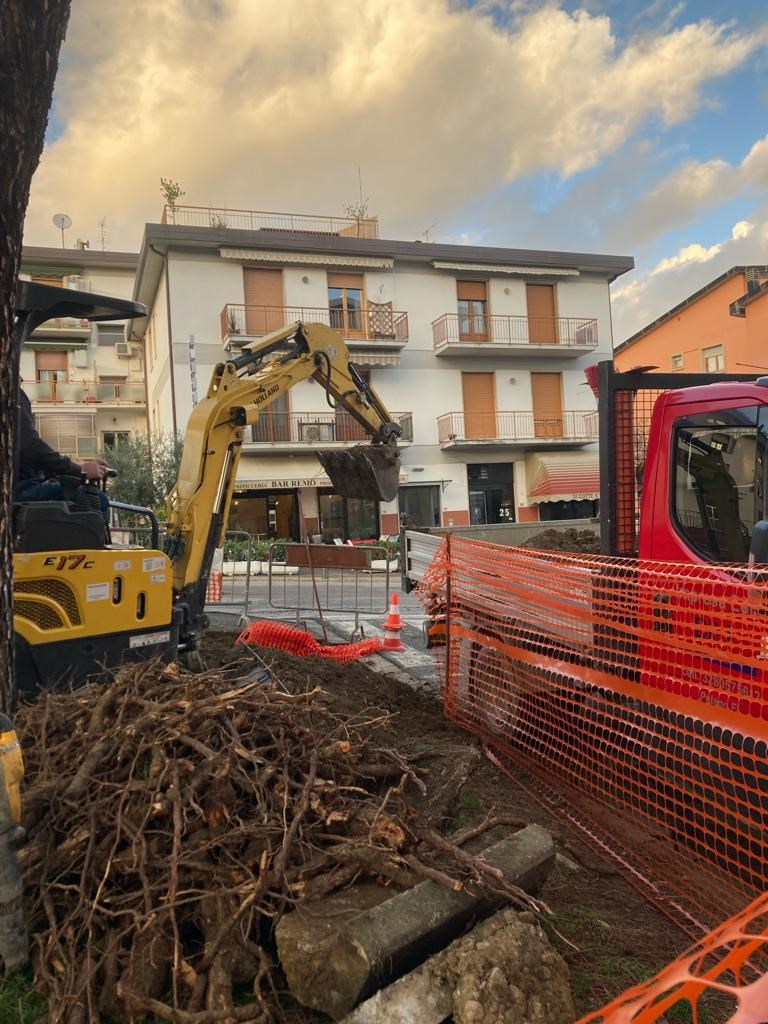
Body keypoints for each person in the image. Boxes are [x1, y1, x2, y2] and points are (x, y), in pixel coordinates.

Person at [15, 387, 110, 518]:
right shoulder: (13, 394)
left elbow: (28, 454)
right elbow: (31, 446)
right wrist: (79, 470)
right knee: (98, 499)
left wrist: (66, 470)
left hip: (21, 486)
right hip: (20, 491)